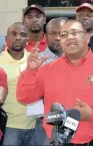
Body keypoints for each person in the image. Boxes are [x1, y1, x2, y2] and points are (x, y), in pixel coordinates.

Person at [16, 19, 93, 145]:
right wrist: (30, 71)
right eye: (64, 35)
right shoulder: (47, 70)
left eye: (75, 33)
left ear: (87, 38)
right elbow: (24, 97)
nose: (69, 37)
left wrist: (92, 114)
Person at [0, 22, 36, 145]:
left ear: (27, 40)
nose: (18, 37)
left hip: (35, 126)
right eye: (14, 34)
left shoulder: (36, 61)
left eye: (22, 34)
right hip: (8, 127)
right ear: (6, 39)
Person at [30, 17, 68, 145]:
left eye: (61, 33)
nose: (58, 37)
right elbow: (32, 95)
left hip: (73, 124)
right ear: (45, 36)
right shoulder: (37, 61)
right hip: (44, 125)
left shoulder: (78, 61)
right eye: (53, 34)